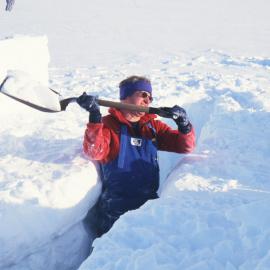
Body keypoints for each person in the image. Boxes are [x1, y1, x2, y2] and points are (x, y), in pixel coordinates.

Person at [77, 75, 195, 238]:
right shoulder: (108, 125)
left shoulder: (153, 126)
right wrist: (95, 117)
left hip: (149, 210)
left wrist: (184, 125)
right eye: (143, 94)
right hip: (114, 214)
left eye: (150, 97)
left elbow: (185, 146)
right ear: (125, 97)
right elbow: (93, 151)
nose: (148, 100)